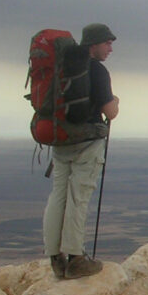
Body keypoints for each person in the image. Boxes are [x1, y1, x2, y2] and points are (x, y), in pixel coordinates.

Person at [42, 23, 121, 279]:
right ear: (93, 44)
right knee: (79, 198)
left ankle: (56, 258)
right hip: (86, 143)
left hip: (61, 140)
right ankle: (77, 259)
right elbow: (110, 113)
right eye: (107, 43)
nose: (110, 48)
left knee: (58, 196)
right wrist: (116, 102)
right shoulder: (97, 71)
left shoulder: (63, 67)